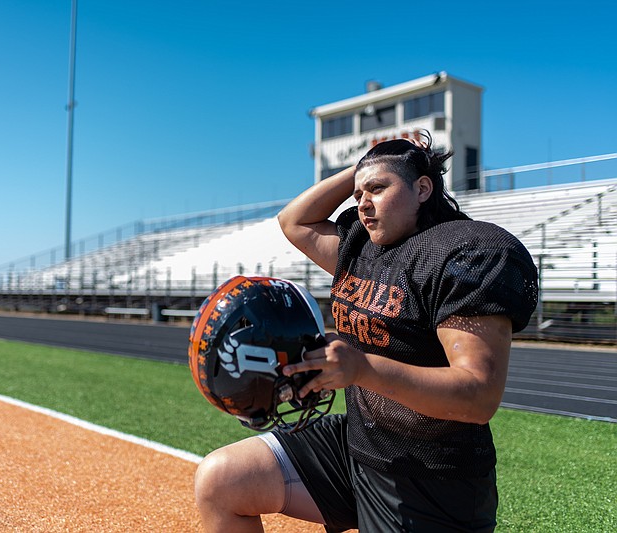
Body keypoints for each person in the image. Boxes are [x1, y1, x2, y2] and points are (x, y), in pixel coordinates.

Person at [193, 133, 538, 532]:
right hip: (357, 446)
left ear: (422, 188)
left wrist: (362, 369)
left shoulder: (467, 252)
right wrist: (367, 165)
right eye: (358, 194)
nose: (363, 204)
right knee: (221, 480)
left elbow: (478, 396)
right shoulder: (363, 246)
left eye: (378, 189)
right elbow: (294, 220)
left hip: (432, 480)